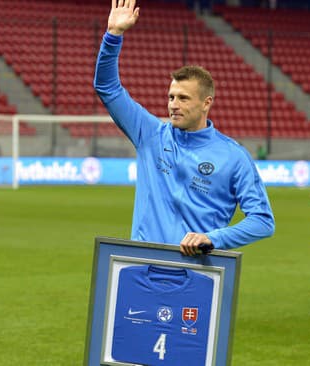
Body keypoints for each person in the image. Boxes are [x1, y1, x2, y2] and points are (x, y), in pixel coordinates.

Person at [94, 0, 275, 256]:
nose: (174, 105)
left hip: (196, 274)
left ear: (206, 103)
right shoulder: (150, 134)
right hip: (141, 267)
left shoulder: (234, 157)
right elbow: (107, 88)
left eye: (183, 98)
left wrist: (213, 238)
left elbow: (263, 221)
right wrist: (113, 36)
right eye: (171, 97)